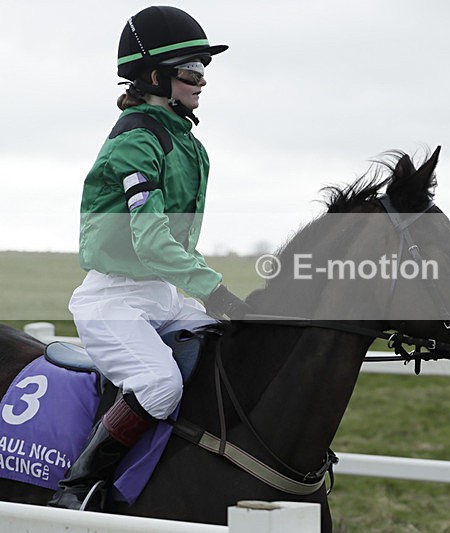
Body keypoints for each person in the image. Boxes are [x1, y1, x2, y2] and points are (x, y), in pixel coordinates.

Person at [49, 6, 250, 510]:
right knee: (159, 384)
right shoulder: (136, 141)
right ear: (157, 76)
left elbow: (178, 246)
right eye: (192, 70)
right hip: (112, 299)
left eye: (205, 70)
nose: (202, 81)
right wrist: (217, 292)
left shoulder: (189, 146)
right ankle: (77, 490)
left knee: (233, 342)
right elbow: (152, 243)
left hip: (161, 295)